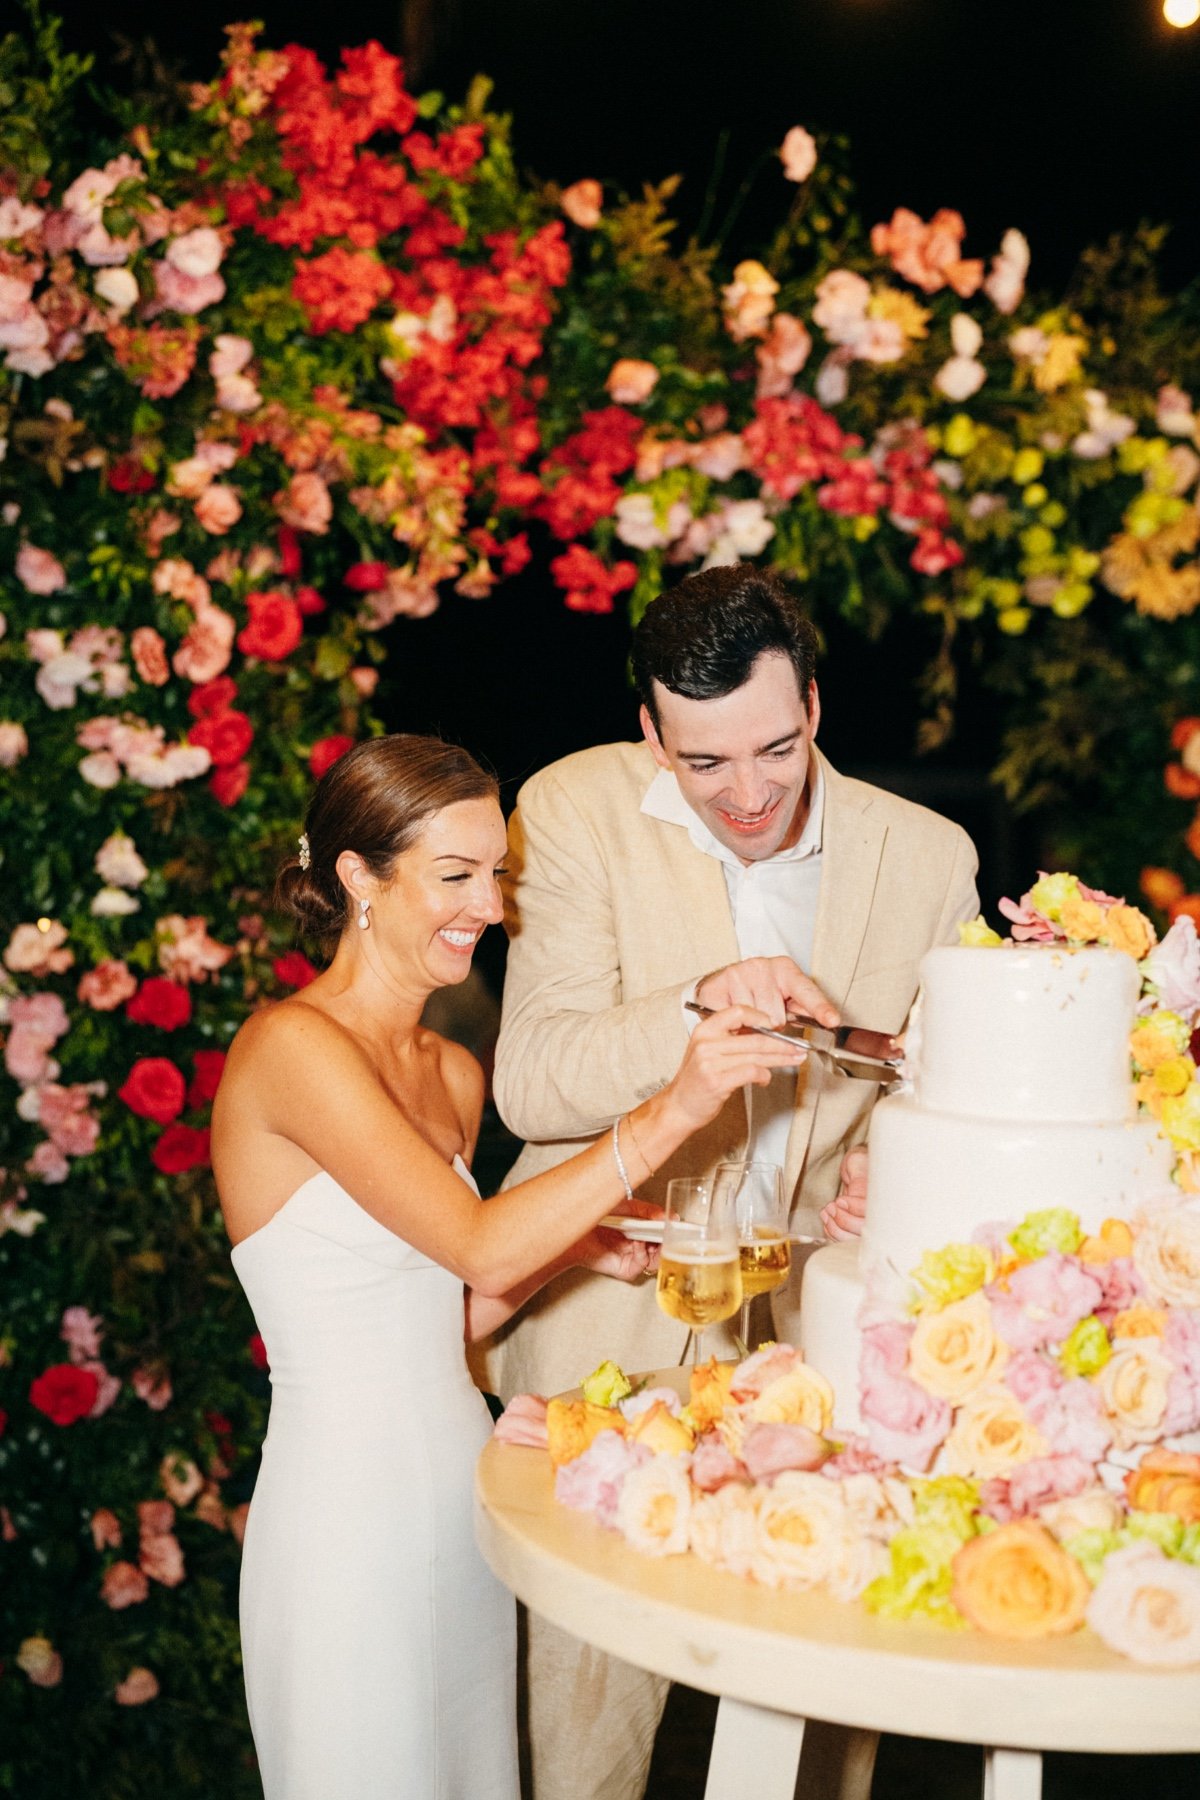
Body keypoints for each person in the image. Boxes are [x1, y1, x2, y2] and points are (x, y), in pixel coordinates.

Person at [210, 733, 800, 1800]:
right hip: (345, 1518)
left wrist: (572, 1249)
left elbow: (457, 1308)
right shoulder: (289, 1050)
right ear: (359, 878)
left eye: (498, 875)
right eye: (456, 876)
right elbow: (477, 1239)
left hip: (464, 1493)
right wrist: (674, 1106)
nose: (491, 906)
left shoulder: (450, 1068)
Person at [482, 563, 980, 1800]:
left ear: (814, 703)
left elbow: (937, 1088)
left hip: (813, 1335)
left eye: (775, 746)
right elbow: (531, 1084)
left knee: (817, 1710)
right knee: (583, 1729)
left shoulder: (930, 855)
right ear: (650, 733)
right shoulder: (570, 809)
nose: (749, 794)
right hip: (601, 1311)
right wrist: (699, 1003)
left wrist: (885, 1162)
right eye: (704, 764)